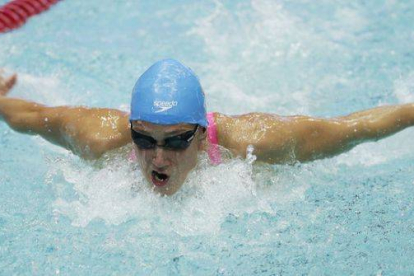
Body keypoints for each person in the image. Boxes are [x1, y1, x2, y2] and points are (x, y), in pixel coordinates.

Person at [1, 59, 414, 195]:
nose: (157, 157)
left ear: (201, 134)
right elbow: (31, 117)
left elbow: (353, 128)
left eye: (177, 141)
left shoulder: (257, 143)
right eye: (143, 139)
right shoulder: (97, 136)